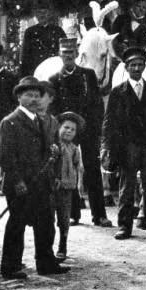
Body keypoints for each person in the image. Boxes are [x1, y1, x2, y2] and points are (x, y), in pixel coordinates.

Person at [0, 76, 66, 278]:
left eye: (37, 95)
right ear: (19, 97)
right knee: (17, 224)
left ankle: (46, 263)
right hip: (20, 183)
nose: (34, 99)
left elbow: (48, 150)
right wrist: (17, 181)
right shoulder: (10, 122)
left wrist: (53, 166)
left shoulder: (40, 120)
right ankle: (10, 267)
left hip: (41, 182)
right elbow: (5, 156)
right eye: (29, 95)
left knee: (45, 223)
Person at [102, 47, 146, 242]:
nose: (137, 68)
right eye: (133, 65)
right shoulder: (118, 92)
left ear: (145, 67)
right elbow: (109, 121)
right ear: (126, 68)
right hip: (127, 147)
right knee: (127, 187)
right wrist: (106, 146)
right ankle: (124, 226)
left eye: (140, 65)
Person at [49, 37, 110, 227]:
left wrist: (96, 127)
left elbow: (97, 103)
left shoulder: (88, 75)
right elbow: (52, 109)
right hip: (67, 130)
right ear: (60, 55)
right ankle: (72, 213)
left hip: (88, 128)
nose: (68, 56)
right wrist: (61, 128)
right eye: (64, 53)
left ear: (76, 54)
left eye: (71, 53)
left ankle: (99, 215)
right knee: (68, 168)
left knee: (92, 168)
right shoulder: (54, 80)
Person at [53, 112, 85, 261]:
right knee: (48, 218)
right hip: (53, 187)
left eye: (73, 130)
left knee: (64, 218)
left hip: (68, 188)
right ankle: (46, 247)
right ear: (59, 127)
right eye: (66, 127)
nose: (69, 131)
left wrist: (79, 184)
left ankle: (62, 245)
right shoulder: (54, 146)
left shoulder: (74, 149)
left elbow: (79, 167)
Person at [20, 8, 66, 78]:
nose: (42, 15)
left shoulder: (58, 31)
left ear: (49, 14)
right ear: (36, 15)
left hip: (54, 70)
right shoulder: (30, 32)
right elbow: (25, 56)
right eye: (39, 12)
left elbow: (65, 51)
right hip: (35, 70)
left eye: (44, 12)